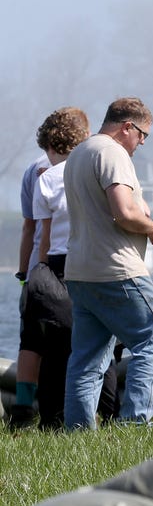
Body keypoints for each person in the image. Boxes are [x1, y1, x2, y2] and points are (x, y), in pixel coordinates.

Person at [62, 96, 153, 429]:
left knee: (87, 360)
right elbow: (122, 212)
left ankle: (78, 435)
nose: (141, 143)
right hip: (118, 270)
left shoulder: (79, 154)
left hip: (80, 273)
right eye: (142, 135)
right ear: (128, 127)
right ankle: (133, 428)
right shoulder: (112, 153)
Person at [22, 107, 119, 429]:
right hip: (96, 259)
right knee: (100, 343)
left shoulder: (45, 178)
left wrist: (39, 273)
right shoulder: (98, 168)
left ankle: (51, 419)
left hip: (60, 263)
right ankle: (111, 416)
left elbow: (43, 237)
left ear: (50, 145)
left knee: (54, 346)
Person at [7, 149, 50, 428]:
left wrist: (24, 273)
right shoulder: (86, 163)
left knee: (30, 340)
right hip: (70, 268)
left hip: (36, 270)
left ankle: (23, 409)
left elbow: (28, 227)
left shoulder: (33, 168)